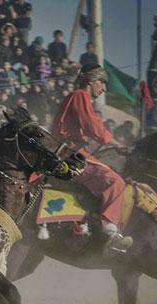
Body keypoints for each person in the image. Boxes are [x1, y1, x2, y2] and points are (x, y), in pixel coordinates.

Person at [51, 63, 132, 255]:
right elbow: (91, 125)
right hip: (68, 154)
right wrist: (117, 144)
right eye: (102, 83)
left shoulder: (76, 97)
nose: (104, 88)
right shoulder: (79, 95)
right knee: (115, 181)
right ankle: (110, 232)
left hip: (70, 151)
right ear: (91, 81)